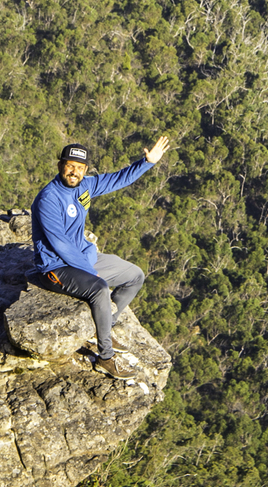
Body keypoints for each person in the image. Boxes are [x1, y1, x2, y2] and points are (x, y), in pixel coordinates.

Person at [30, 136, 171, 380]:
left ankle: (105, 326)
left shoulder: (85, 186)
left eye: (80, 168)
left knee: (134, 275)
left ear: (85, 171)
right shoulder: (48, 199)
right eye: (70, 166)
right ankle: (105, 357)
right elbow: (60, 245)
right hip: (55, 268)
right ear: (60, 166)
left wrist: (146, 163)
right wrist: (88, 269)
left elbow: (118, 179)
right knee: (99, 288)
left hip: (82, 259)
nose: (75, 172)